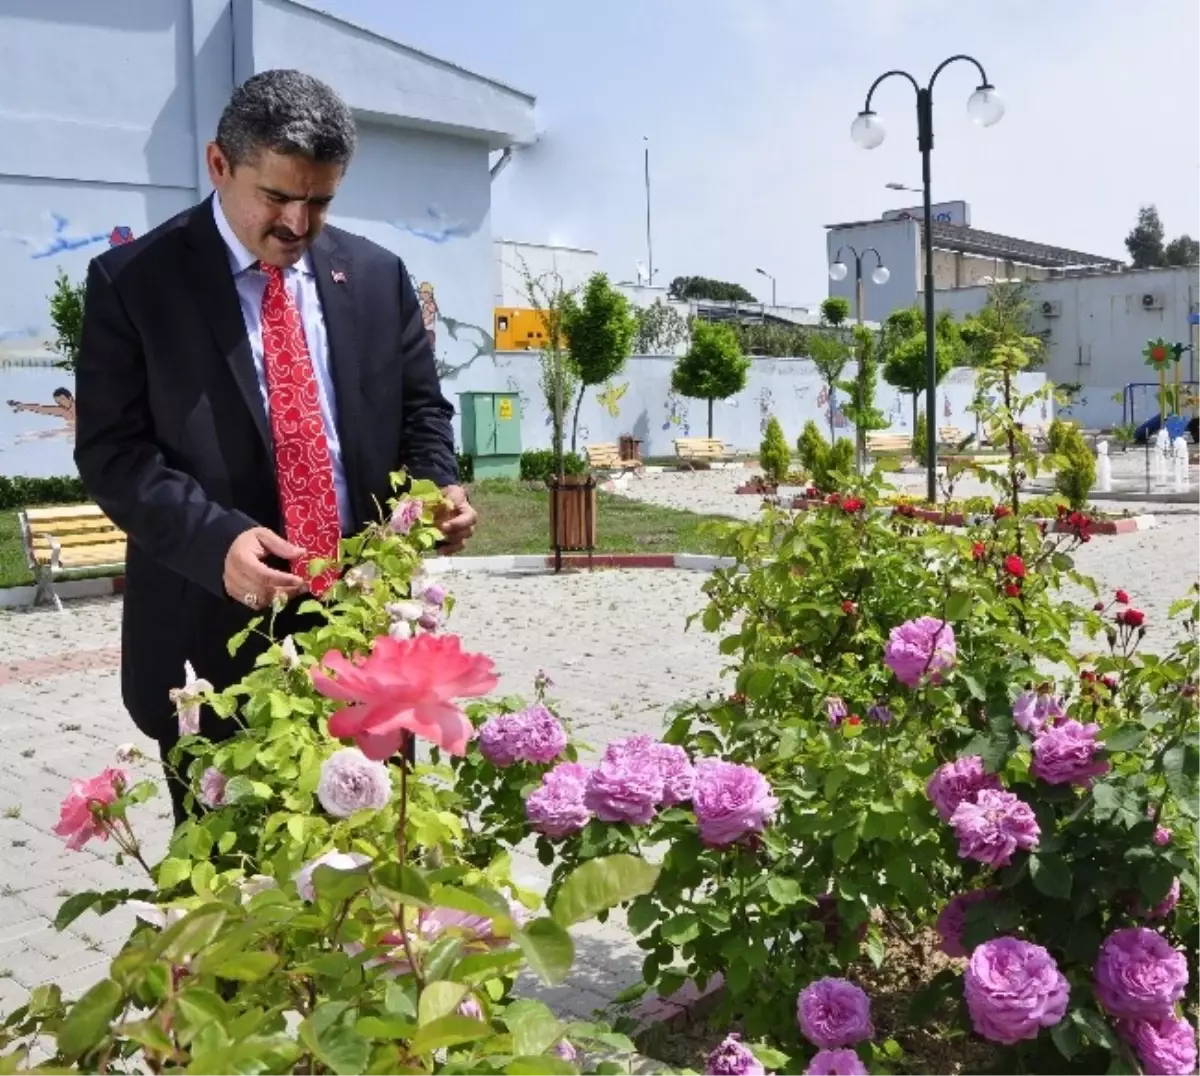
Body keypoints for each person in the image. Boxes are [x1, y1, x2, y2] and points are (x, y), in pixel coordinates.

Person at [74, 70, 477, 825]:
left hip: (364, 642)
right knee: (238, 908)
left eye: (320, 201)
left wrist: (435, 487)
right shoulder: (134, 284)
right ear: (219, 164)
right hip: (212, 645)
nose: (298, 223)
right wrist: (214, 540)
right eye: (277, 197)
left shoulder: (378, 277)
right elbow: (114, 454)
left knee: (374, 894)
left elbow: (422, 410)